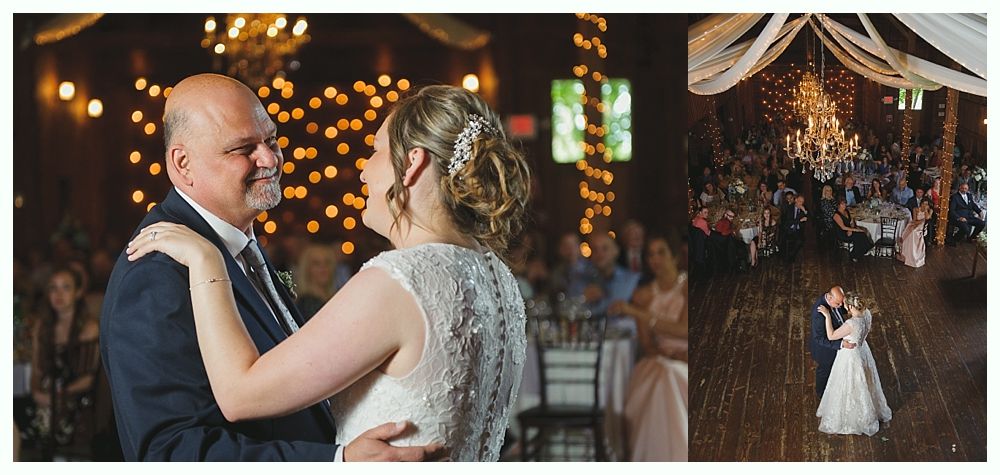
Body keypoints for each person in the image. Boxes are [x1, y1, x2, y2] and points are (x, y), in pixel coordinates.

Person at [101, 74, 455, 461]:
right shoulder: (157, 273)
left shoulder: (241, 246)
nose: (269, 159)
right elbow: (170, 453)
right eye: (242, 149)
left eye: (270, 140)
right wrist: (333, 462)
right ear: (183, 164)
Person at [613, 237, 687, 461]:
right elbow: (646, 344)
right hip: (660, 358)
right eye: (650, 254)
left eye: (661, 252)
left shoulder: (686, 287)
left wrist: (639, 313)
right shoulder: (643, 295)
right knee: (662, 374)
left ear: (673, 256)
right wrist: (664, 353)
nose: (655, 259)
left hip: (688, 357)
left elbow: (684, 331)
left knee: (670, 375)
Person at [29, 267, 101, 450]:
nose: (58, 294)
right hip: (46, 398)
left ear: (78, 292)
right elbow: (36, 368)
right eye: (53, 288)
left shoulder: (89, 327)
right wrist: (36, 392)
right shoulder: (42, 326)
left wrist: (59, 396)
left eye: (66, 287)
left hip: (77, 399)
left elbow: (90, 379)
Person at [815, 292, 892, 435]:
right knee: (864, 382)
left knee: (848, 383)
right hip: (863, 350)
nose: (843, 307)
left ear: (850, 306)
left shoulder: (851, 324)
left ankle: (851, 417)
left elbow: (831, 336)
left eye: (844, 305)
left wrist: (827, 316)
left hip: (850, 355)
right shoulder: (867, 313)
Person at [809, 286, 857, 399]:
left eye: (842, 303)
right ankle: (821, 394)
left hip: (836, 337)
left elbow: (839, 311)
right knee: (824, 370)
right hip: (824, 350)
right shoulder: (819, 313)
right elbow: (819, 339)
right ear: (829, 298)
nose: (840, 306)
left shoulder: (833, 301)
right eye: (838, 304)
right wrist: (840, 344)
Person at [293, 243, 341, 322]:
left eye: (327, 262)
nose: (323, 268)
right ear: (307, 269)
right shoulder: (306, 303)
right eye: (316, 263)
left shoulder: (337, 297)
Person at [898, 199, 932, 267]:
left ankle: (915, 256)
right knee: (910, 232)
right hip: (914, 225)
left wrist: (925, 211)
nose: (924, 205)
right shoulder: (916, 209)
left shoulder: (930, 211)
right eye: (923, 203)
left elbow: (928, 218)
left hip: (922, 228)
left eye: (926, 204)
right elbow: (914, 221)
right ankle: (906, 254)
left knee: (914, 233)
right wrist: (922, 220)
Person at [782, 195, 808, 263]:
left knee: (800, 240)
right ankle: (790, 256)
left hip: (798, 230)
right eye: (799, 201)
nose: (800, 203)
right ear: (795, 200)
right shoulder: (789, 208)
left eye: (802, 202)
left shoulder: (803, 209)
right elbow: (789, 221)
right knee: (786, 240)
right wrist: (799, 220)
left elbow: (810, 219)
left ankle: (791, 255)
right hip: (789, 229)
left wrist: (804, 211)